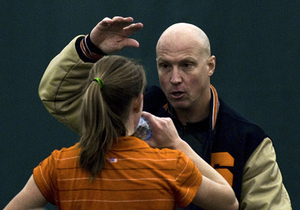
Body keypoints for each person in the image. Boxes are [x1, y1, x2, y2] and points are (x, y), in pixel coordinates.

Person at [37, 16, 291, 209]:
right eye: (165, 66)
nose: (175, 78)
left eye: (187, 65)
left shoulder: (247, 139)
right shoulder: (133, 114)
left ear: (210, 66)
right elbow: (58, 97)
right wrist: (90, 48)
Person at [4, 55, 238, 210]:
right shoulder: (170, 165)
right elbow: (228, 202)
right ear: (138, 103)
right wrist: (178, 144)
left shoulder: (58, 166)